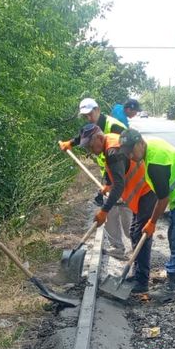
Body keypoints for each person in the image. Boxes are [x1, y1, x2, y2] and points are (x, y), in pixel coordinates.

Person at [118, 128, 175, 300]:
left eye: (131, 151)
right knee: (174, 237)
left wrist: (151, 222)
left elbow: (162, 198)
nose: (130, 156)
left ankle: (170, 286)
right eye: (126, 153)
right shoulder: (150, 149)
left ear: (140, 143)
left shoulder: (156, 162)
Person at [77, 124, 157, 294]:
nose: (91, 150)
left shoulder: (112, 151)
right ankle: (137, 275)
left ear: (99, 138)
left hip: (146, 190)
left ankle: (142, 281)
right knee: (136, 232)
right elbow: (117, 171)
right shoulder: (110, 143)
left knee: (140, 233)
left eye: (91, 146)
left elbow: (120, 184)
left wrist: (104, 211)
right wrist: (108, 183)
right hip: (142, 191)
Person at [60, 99, 130, 256]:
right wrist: (70, 143)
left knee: (125, 209)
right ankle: (117, 247)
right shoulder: (92, 128)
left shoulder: (114, 127)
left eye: (90, 114)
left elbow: (121, 156)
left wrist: (113, 184)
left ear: (97, 109)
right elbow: (83, 136)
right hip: (108, 171)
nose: (89, 118)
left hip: (124, 172)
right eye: (85, 116)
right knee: (109, 207)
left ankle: (136, 244)